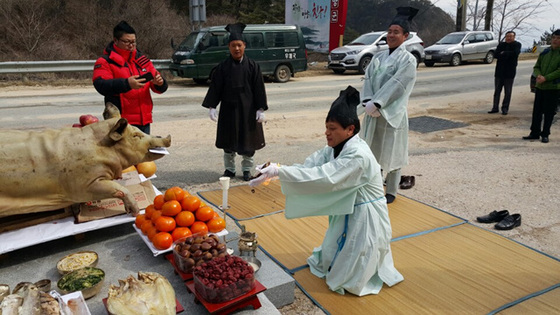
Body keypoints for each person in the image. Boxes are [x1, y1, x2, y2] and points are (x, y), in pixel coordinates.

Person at [249, 86, 403, 296]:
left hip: (367, 216)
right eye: (326, 127)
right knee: (333, 254)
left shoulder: (358, 155)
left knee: (351, 271)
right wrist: (274, 171)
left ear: (350, 129)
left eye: (332, 128)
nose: (326, 133)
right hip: (348, 208)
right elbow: (310, 167)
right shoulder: (335, 148)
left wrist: (280, 172)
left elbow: (326, 176)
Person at [360, 7, 418, 204]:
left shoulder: (408, 60)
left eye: (396, 32)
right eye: (390, 31)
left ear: (405, 36)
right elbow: (367, 79)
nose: (391, 35)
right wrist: (368, 101)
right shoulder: (378, 57)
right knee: (372, 150)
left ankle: (391, 190)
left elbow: (399, 84)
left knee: (392, 152)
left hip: (392, 113)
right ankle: (373, 185)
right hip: (373, 111)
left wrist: (379, 103)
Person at [202, 23, 268, 181]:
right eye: (233, 46)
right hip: (228, 110)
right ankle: (229, 170)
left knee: (248, 143)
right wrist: (212, 106)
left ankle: (246, 170)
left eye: (239, 45)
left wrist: (260, 109)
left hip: (248, 111)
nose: (236, 49)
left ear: (244, 46)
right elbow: (216, 87)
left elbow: (259, 88)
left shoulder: (253, 66)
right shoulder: (223, 67)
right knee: (228, 142)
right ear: (229, 47)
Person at [92, 21, 168, 134]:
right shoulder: (105, 61)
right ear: (116, 40)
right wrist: (127, 84)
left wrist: (160, 83)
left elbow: (160, 85)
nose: (131, 45)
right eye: (127, 42)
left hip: (144, 120)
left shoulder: (142, 60)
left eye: (133, 42)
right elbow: (101, 85)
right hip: (119, 121)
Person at [523, 29, 560, 143]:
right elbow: (536, 66)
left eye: (558, 38)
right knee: (537, 111)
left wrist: (546, 78)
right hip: (540, 87)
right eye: (554, 37)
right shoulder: (545, 52)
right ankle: (534, 133)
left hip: (553, 87)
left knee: (549, 112)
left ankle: (545, 134)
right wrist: (538, 75)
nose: (555, 40)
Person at [488, 31, 522, 115]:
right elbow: (496, 55)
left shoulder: (517, 45)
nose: (509, 38)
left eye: (511, 36)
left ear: (514, 37)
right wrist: (505, 54)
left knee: (508, 92)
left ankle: (505, 108)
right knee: (497, 91)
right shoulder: (501, 45)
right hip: (499, 72)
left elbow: (515, 53)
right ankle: (495, 107)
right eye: (507, 36)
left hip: (510, 72)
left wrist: (504, 53)